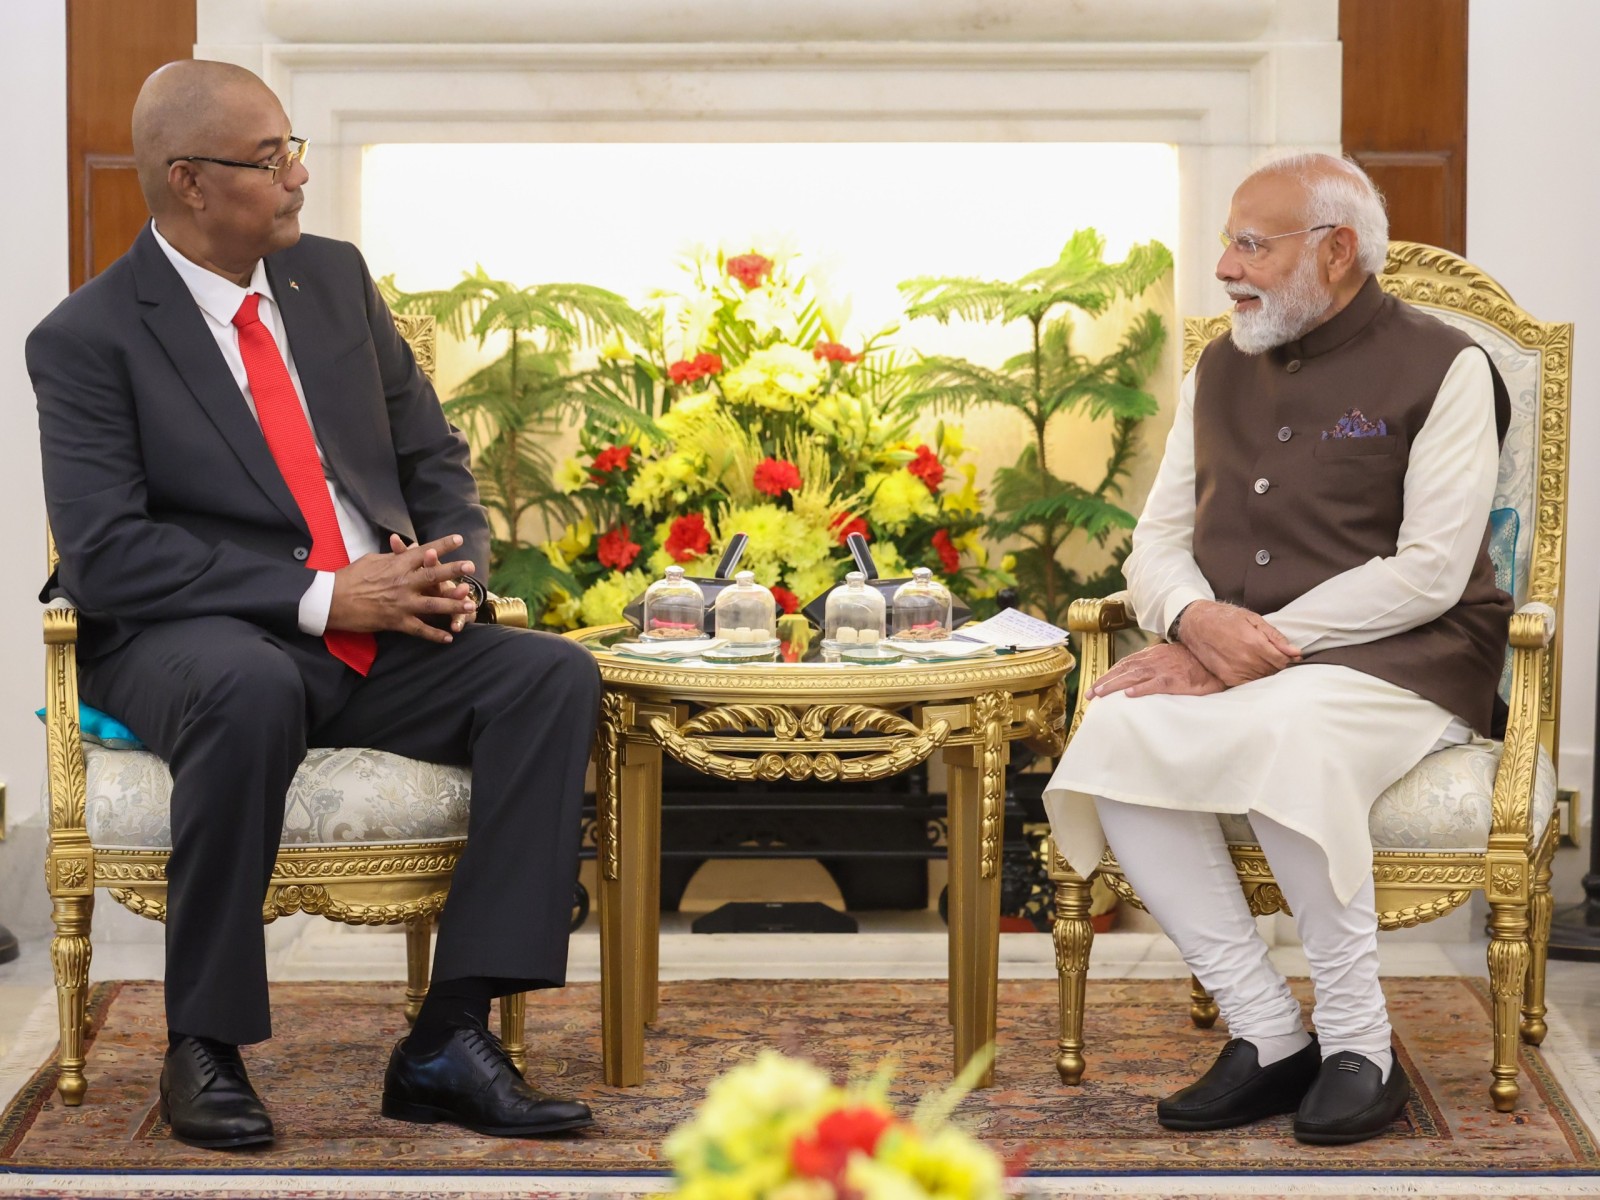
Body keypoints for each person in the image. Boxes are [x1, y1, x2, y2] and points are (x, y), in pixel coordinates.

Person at [28, 60, 602, 1149]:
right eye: (272, 157)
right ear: (190, 182)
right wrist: (322, 591)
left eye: (295, 148)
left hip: (374, 626)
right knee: (246, 687)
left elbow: (433, 454)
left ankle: (448, 1033)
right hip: (193, 638)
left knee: (551, 676)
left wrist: (448, 566)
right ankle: (204, 1044)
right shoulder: (88, 338)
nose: (298, 177)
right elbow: (107, 556)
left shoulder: (333, 281)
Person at [1044, 152, 1510, 1146]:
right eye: (1228, 242)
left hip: (1406, 655)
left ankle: (1358, 1045)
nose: (1224, 266)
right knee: (1116, 728)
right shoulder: (1219, 361)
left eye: (1251, 244)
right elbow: (1157, 541)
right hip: (1243, 651)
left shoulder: (1445, 365)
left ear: (1335, 251)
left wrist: (1243, 645)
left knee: (1292, 729)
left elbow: (1429, 571)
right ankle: (1266, 1032)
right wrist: (1187, 621)